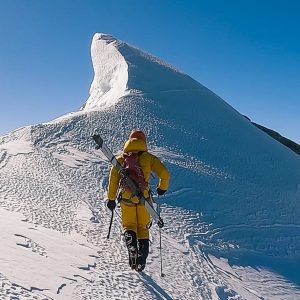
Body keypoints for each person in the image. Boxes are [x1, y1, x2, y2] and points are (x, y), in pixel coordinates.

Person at [106, 129, 170, 271]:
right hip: (144, 200)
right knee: (143, 228)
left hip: (127, 199)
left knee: (129, 226)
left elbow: (113, 181)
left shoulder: (121, 159)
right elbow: (165, 174)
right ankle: (141, 259)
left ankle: (132, 248)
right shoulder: (149, 158)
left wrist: (111, 199)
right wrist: (162, 188)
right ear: (144, 142)